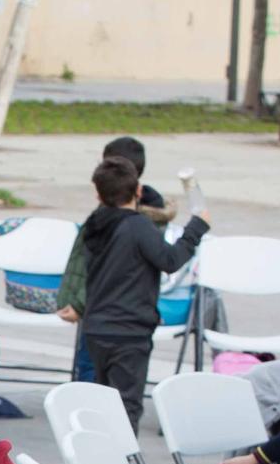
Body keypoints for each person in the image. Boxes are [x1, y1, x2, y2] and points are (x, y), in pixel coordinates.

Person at [80, 154, 210, 427]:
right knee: (126, 404)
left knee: (103, 399)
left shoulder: (94, 224)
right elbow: (170, 260)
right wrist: (196, 227)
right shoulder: (137, 226)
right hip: (128, 330)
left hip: (96, 327)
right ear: (138, 191)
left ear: (98, 194)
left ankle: (99, 460)